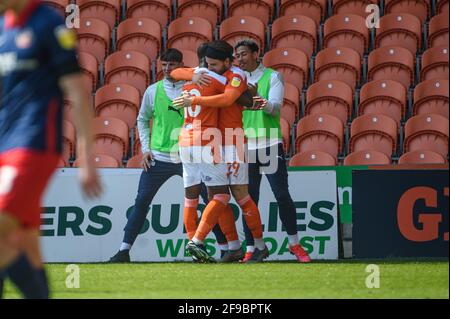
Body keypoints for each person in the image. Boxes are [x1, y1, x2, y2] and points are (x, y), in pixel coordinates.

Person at [0, 0, 102, 299]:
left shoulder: (50, 23)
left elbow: (78, 93)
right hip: (5, 144)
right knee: (25, 244)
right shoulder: (4, 27)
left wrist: (86, 158)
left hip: (33, 144)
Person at [108, 49, 227, 262]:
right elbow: (142, 120)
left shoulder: (196, 88)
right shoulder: (153, 91)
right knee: (142, 201)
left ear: (182, 65)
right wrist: (146, 149)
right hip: (159, 158)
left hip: (190, 157)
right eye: (164, 64)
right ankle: (124, 250)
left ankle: (225, 248)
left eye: (172, 65)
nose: (167, 69)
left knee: (208, 201)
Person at [172, 40, 269, 263]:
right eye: (208, 63)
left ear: (227, 61)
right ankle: (233, 246)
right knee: (215, 194)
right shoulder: (208, 74)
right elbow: (176, 71)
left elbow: (228, 99)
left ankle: (260, 246)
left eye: (214, 64)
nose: (210, 67)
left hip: (232, 142)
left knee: (239, 195)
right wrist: (193, 75)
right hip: (213, 141)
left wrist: (194, 97)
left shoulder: (236, 75)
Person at [234, 39, 311, 263]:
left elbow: (275, 108)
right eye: (237, 55)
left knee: (282, 196)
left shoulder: (273, 76)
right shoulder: (235, 81)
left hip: (269, 144)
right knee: (249, 201)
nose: (240, 59)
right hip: (245, 146)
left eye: (244, 54)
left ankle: (294, 244)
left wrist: (254, 99)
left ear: (256, 54)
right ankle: (252, 247)